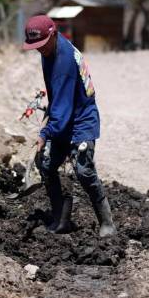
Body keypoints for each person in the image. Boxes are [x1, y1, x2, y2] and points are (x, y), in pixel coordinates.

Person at [22, 15, 116, 238]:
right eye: (35, 46)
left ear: (53, 34)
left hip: (82, 119)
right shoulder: (49, 51)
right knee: (46, 163)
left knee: (83, 170)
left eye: (42, 45)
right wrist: (48, 118)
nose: (39, 50)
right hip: (62, 113)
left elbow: (63, 112)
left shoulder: (63, 61)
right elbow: (57, 97)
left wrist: (44, 133)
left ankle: (107, 223)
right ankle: (61, 218)